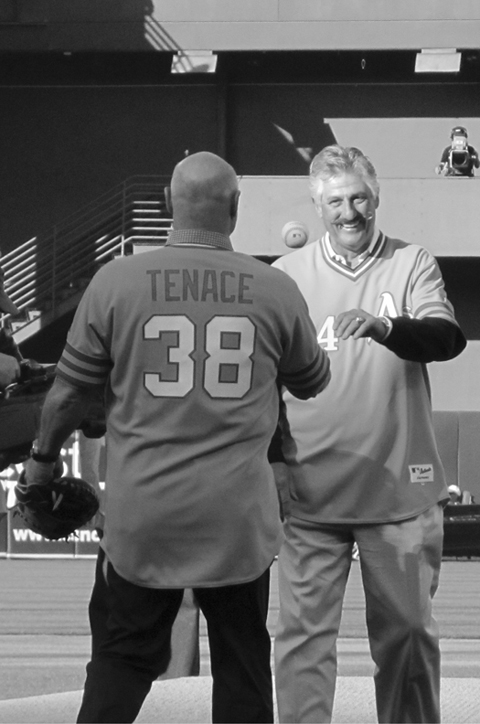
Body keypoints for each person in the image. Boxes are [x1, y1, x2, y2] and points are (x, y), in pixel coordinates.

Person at [22, 151, 331, 724]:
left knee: (120, 664)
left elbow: (66, 396)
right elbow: (313, 380)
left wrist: (41, 463)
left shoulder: (115, 280)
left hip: (145, 520)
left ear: (168, 203)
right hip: (237, 523)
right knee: (242, 672)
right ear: (234, 209)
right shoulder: (275, 287)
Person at [271, 145, 467, 724]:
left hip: (398, 489)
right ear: (316, 206)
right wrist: (273, 462)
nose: (348, 211)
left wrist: (386, 326)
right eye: (335, 201)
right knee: (303, 641)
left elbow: (445, 339)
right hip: (310, 488)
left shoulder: (412, 262)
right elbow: (265, 379)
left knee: (407, 633)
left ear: (376, 197)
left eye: (358, 197)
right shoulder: (287, 276)